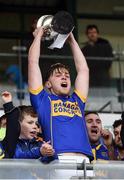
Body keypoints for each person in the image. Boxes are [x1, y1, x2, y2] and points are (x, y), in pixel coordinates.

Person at [28, 26, 93, 166]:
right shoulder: (42, 100)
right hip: (59, 160)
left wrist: (72, 41)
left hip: (85, 161)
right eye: (58, 75)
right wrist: (38, 37)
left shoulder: (77, 100)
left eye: (67, 76)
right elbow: (33, 63)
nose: (64, 78)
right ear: (48, 84)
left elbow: (83, 70)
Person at [2, 91, 55, 161]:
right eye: (30, 122)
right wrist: (39, 152)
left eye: (37, 123)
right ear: (18, 124)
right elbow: (17, 157)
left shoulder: (40, 144)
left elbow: (49, 164)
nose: (35, 126)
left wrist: (49, 153)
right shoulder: (8, 143)